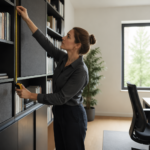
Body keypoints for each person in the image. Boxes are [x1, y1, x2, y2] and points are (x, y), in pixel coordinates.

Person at [15, 5, 96, 150]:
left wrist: (30, 95)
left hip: (73, 117)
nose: (63, 37)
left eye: (68, 36)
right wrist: (27, 19)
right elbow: (45, 42)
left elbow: (60, 97)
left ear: (77, 45)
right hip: (59, 113)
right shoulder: (63, 58)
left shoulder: (81, 71)